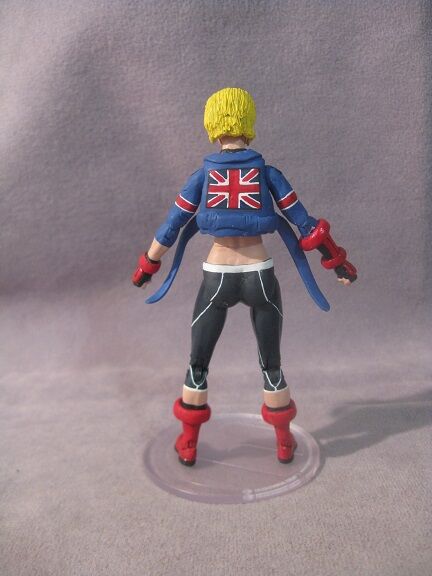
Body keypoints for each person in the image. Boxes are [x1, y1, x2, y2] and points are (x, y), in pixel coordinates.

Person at [132, 87, 356, 466]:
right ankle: (283, 441)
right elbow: (305, 224)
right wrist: (337, 264)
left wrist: (146, 267)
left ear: (211, 123)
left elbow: (171, 226)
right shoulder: (268, 174)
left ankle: (189, 441)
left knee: (198, 365)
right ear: (249, 121)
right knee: (272, 366)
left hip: (217, 275)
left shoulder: (202, 176)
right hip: (259, 275)